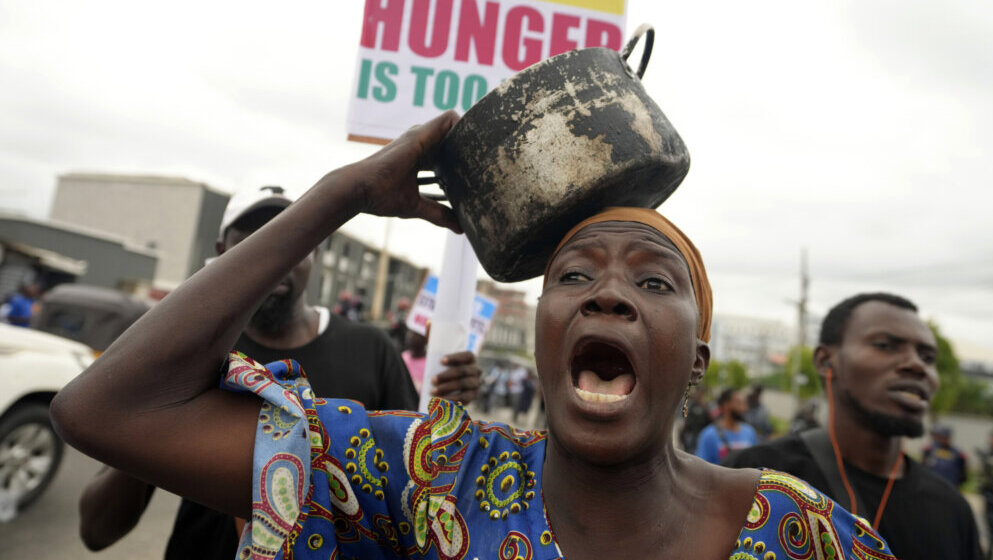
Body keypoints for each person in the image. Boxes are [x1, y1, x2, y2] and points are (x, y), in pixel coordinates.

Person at [52, 113, 893, 559]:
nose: (607, 292)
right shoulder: (431, 481)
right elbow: (108, 412)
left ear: (699, 361)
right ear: (542, 341)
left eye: (652, 279)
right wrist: (338, 196)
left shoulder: (799, 532)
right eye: (572, 275)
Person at [76, 183, 481, 558]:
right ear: (221, 252)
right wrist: (151, 410)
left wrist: (441, 412)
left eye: (291, 243)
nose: (273, 262)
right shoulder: (191, 356)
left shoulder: (372, 350)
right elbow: (98, 530)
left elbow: (413, 489)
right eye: (253, 245)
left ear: (315, 252)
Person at [725, 293, 983, 560]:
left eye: (928, 357)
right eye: (885, 345)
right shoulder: (752, 477)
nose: (918, 365)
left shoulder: (953, 512)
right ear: (826, 361)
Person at [695, 388, 758, 464]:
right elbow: (701, 468)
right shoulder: (708, 435)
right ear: (726, 405)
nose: (744, 408)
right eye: (739, 403)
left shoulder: (750, 432)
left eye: (744, 403)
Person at [922, 424, 967, 488]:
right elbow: (924, 466)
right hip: (932, 485)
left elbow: (963, 474)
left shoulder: (958, 454)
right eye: (942, 437)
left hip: (950, 486)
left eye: (946, 437)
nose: (943, 439)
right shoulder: (930, 450)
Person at [979, 429, 993, 559]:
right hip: (991, 495)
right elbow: (983, 475)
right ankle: (991, 548)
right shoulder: (988, 455)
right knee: (990, 522)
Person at [679, 384, 712, 453]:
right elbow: (685, 417)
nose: (699, 394)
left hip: (701, 433)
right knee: (689, 451)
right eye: (698, 392)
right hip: (691, 432)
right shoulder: (691, 404)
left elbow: (709, 420)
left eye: (701, 393)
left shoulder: (706, 406)